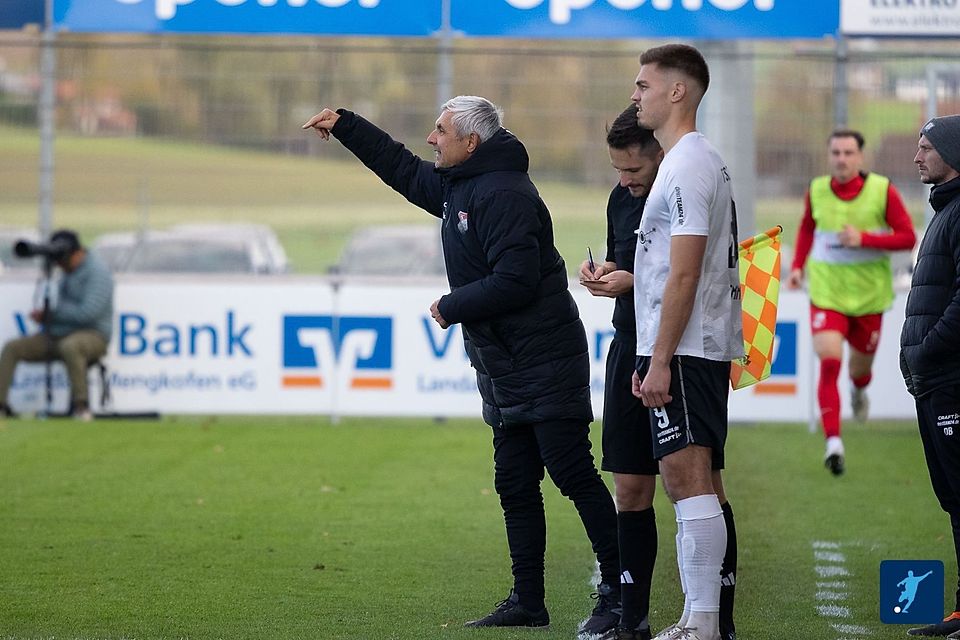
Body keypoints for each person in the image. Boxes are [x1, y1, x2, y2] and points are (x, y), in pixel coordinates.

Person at [302, 96, 621, 637]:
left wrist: (452, 306)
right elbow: (402, 170)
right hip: (504, 362)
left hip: (544, 356)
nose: (432, 139)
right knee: (514, 482)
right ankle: (527, 600)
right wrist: (349, 126)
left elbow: (517, 280)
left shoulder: (505, 194)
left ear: (470, 143)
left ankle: (619, 590)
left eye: (441, 131)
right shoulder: (460, 185)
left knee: (571, 473)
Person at [580, 105, 737, 640]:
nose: (625, 182)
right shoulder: (622, 199)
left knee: (699, 483)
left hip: (678, 348)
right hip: (634, 343)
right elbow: (635, 267)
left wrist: (660, 351)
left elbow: (685, 275)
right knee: (631, 485)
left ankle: (717, 617)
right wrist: (605, 275)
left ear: (660, 157)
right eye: (618, 171)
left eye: (634, 172)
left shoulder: (686, 185)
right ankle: (631, 616)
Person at [628, 44, 742, 640]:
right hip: (682, 344)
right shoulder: (684, 161)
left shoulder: (690, 162)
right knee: (685, 478)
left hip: (690, 346)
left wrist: (662, 359)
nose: (635, 93)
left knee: (688, 477)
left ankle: (704, 623)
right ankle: (700, 618)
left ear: (678, 91)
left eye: (644, 84)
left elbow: (687, 271)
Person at [787, 129, 916, 476]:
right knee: (830, 362)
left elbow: (908, 237)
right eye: (836, 153)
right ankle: (833, 443)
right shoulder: (816, 190)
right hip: (827, 294)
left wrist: (865, 239)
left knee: (859, 372)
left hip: (869, 298)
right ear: (829, 156)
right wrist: (798, 267)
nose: (841, 159)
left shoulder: (881, 190)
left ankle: (859, 392)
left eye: (848, 153)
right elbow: (806, 229)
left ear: (861, 157)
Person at [901, 114, 960, 639]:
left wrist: (924, 352)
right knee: (955, 498)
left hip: (950, 379)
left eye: (926, 147)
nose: (917, 156)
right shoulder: (946, 210)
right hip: (936, 380)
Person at [0, 229, 114, 421]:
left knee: (71, 346)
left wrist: (52, 316)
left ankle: (81, 407)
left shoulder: (98, 273)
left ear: (78, 253)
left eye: (63, 259)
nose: (60, 264)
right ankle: (1, 406)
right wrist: (47, 317)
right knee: (13, 348)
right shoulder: (65, 274)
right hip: (59, 334)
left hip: (93, 335)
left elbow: (88, 313)